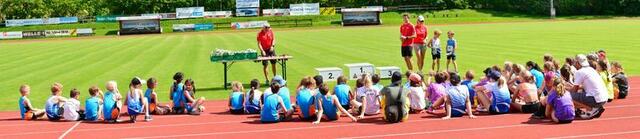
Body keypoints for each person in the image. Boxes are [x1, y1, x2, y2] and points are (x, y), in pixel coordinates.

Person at [565, 54, 607, 119]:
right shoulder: (591, 69)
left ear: (577, 63)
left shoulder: (580, 72)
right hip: (604, 98)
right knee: (580, 92)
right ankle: (589, 109)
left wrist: (565, 89)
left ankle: (591, 109)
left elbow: (574, 90)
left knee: (567, 96)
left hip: (595, 99)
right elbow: (589, 85)